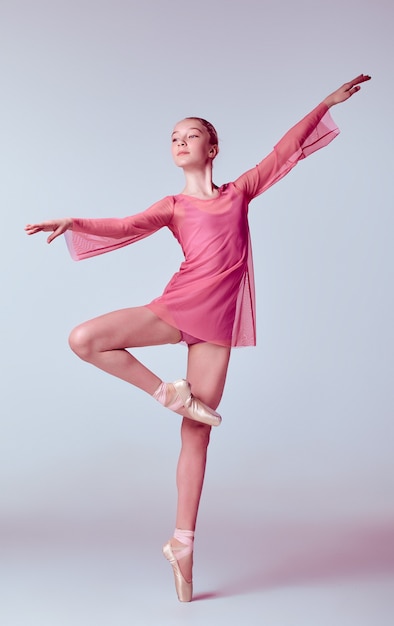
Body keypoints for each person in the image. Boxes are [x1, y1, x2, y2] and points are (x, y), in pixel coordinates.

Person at [25, 74, 371, 602]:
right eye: (173, 138)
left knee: (197, 433)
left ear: (212, 147)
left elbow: (286, 151)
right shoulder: (173, 206)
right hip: (176, 306)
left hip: (217, 326)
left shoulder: (240, 191)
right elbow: (123, 226)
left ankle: (182, 543)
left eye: (189, 135)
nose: (179, 141)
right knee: (85, 338)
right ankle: (167, 392)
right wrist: (74, 220)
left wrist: (322, 104)